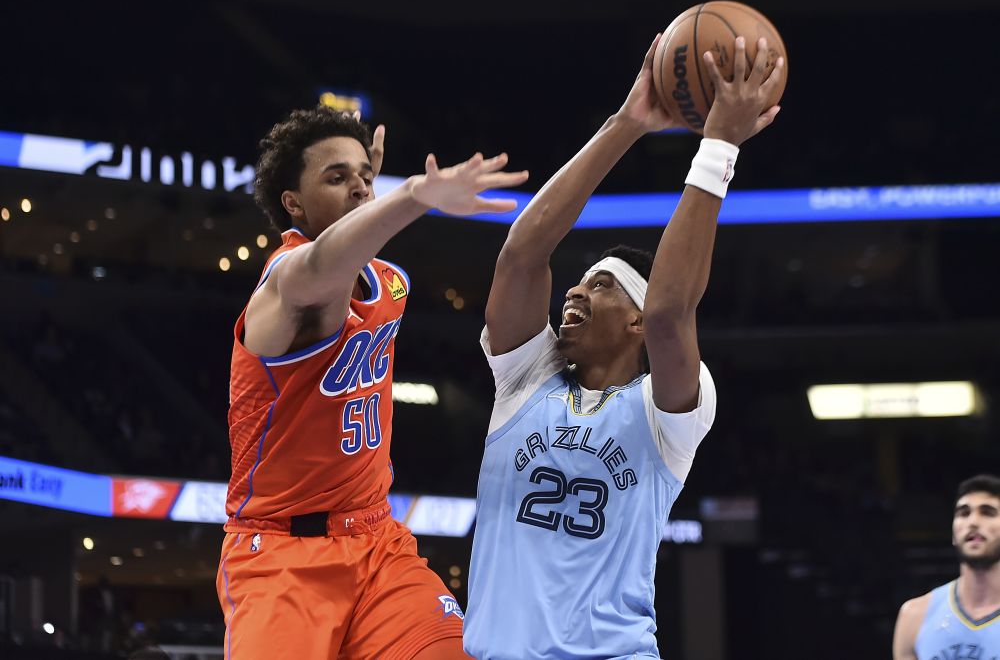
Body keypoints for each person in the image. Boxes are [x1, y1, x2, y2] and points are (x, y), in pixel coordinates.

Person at [464, 34, 784, 658]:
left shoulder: (667, 416)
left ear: (634, 322)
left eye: (602, 285)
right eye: (579, 282)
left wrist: (717, 148)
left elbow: (670, 312)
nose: (576, 293)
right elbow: (521, 258)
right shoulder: (526, 380)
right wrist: (627, 122)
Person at [217, 105, 527, 660]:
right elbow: (319, 270)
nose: (359, 187)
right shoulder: (284, 283)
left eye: (364, 175)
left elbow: (351, 251)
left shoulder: (387, 280)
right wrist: (410, 196)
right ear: (293, 204)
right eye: (336, 178)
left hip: (377, 541)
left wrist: (362, 195)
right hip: (282, 555)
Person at [893, 474, 1000, 659]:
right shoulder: (914, 617)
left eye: (987, 512)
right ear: (953, 533)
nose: (973, 522)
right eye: (963, 513)